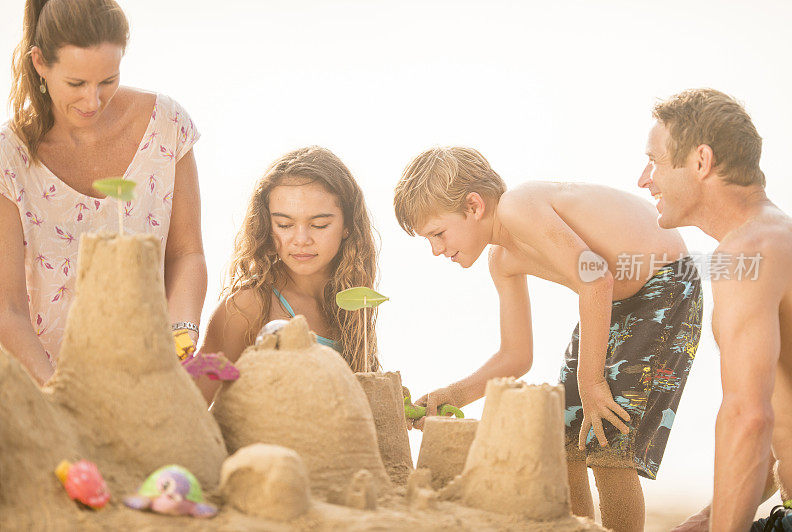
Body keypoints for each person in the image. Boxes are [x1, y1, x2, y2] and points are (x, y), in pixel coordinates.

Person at [393, 147, 703, 532]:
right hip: (610, 300)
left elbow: (595, 277)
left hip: (664, 283)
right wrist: (454, 395)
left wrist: (591, 382)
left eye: (437, 234)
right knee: (563, 442)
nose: (436, 249)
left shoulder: (518, 206)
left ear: (474, 206)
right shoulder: (502, 261)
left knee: (608, 440)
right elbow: (516, 356)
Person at [0, 0, 205, 385]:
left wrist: (181, 333)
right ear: (40, 62)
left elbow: (186, 253)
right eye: (76, 84)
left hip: (145, 380)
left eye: (107, 80)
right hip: (43, 386)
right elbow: (7, 308)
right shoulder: (9, 159)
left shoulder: (166, 125)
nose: (92, 102)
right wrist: (56, 396)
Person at [639, 89, 792, 532]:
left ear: (700, 161)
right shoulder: (782, 240)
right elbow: (784, 417)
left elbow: (748, 417)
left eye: (653, 160)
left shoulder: (749, 252)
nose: (643, 179)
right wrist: (709, 517)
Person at [196, 146, 380, 403]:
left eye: (319, 225)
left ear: (347, 225)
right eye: (284, 225)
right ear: (267, 225)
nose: (301, 240)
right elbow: (188, 411)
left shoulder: (353, 306)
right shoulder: (246, 308)